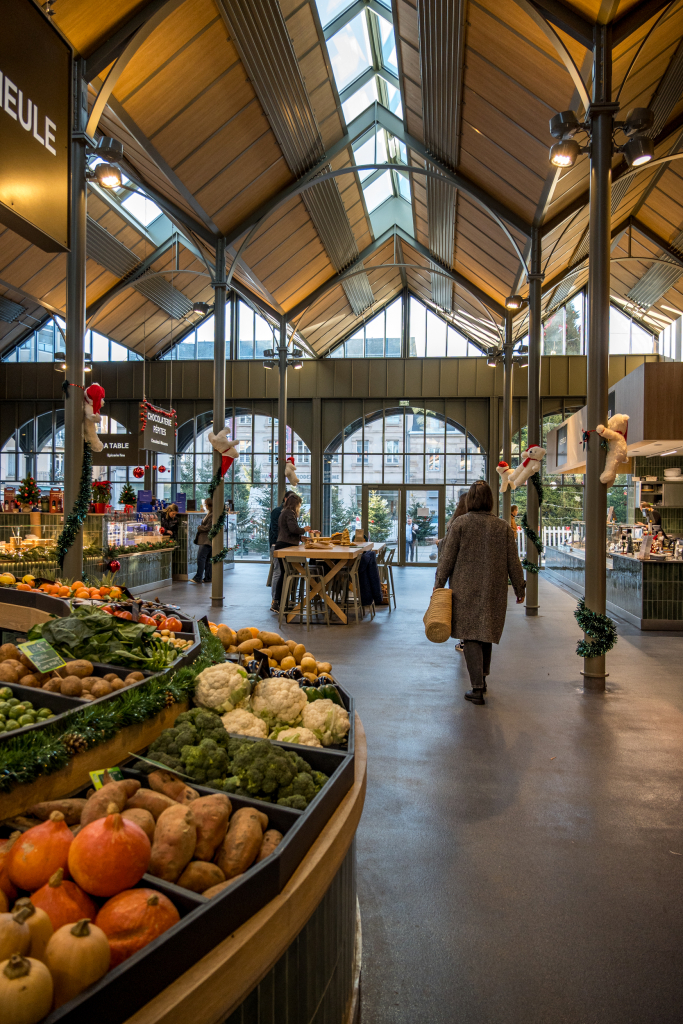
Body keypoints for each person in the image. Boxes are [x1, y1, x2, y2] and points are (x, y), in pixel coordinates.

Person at [434, 480, 525, 705]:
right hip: (494, 588)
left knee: (471, 633)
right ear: (490, 500)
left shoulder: (460, 524)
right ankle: (481, 679)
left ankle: (477, 688)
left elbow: (448, 557)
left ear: (471, 500)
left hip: (464, 588)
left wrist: (439, 583)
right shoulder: (503, 526)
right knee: (485, 631)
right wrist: (519, 587)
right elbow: (513, 560)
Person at [271, 493, 314, 610]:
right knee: (284, 574)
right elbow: (293, 529)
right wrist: (303, 530)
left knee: (285, 574)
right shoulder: (290, 513)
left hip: (282, 545)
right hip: (285, 547)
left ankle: (280, 602)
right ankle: (278, 602)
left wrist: (300, 538)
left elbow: (286, 532)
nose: (299, 507)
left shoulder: (284, 512)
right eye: (299, 505)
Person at [269, 491, 296, 609]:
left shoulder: (287, 512)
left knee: (282, 572)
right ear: (285, 499)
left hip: (281, 544)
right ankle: (275, 600)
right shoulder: (279, 511)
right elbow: (276, 529)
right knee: (278, 572)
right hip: (277, 545)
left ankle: (282, 600)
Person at [190, 498, 213, 584]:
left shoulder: (212, 515)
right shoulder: (209, 514)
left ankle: (198, 577)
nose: (205, 506)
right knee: (207, 559)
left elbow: (208, 527)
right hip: (207, 540)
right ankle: (207, 577)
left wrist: (200, 528)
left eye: (206, 504)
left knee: (201, 558)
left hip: (206, 540)